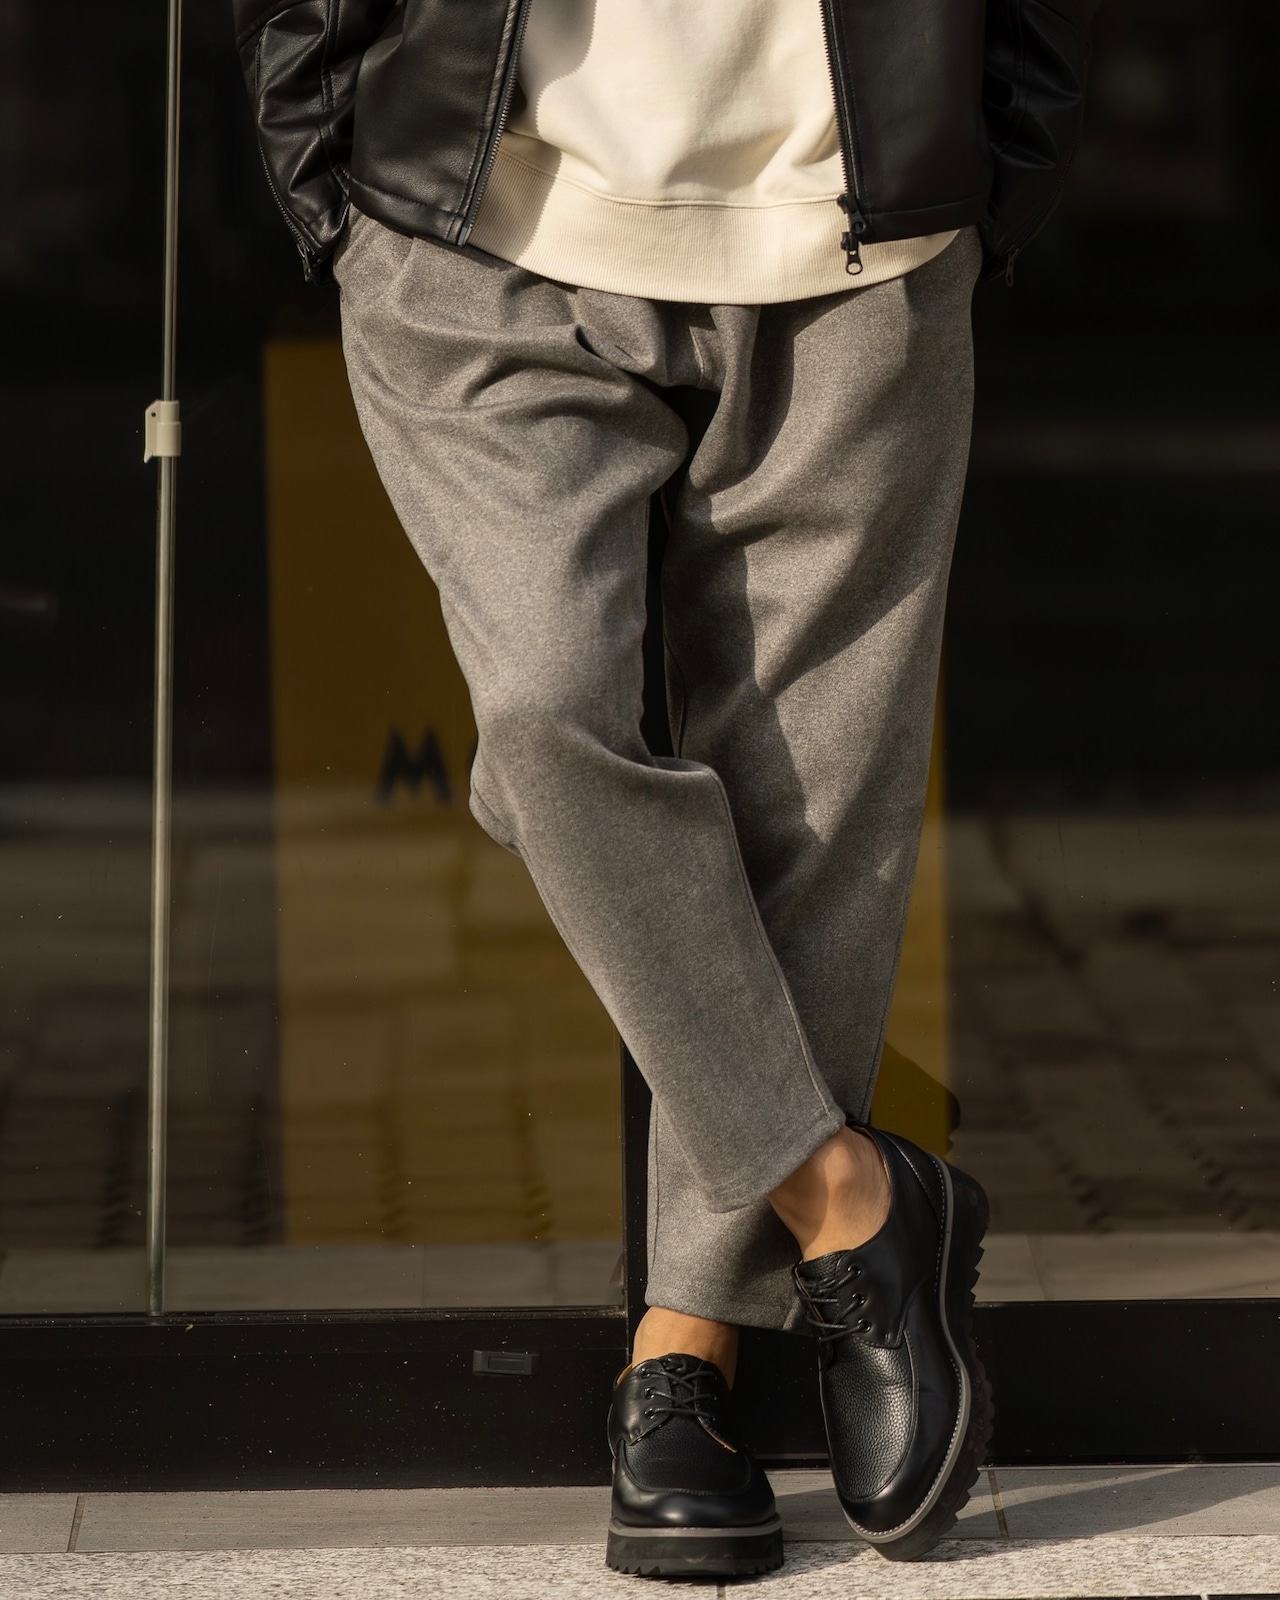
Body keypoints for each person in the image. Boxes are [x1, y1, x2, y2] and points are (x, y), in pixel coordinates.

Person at [235, 0, 1090, 1574]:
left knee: (814, 825)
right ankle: (850, 1203)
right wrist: (321, 156)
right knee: (548, 718)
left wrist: (997, 158)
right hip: (477, 217)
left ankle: (681, 1356)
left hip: (858, 235)